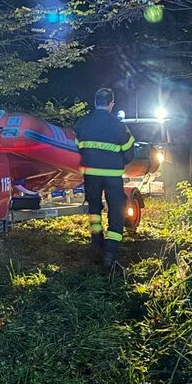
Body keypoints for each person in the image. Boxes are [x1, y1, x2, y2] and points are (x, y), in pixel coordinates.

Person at [73, 88, 135, 270]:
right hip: (112, 176)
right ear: (111, 104)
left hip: (90, 175)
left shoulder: (83, 123)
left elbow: (77, 148)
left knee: (94, 209)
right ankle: (111, 251)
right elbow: (129, 153)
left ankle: (96, 243)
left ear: (95, 102)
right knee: (116, 209)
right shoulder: (119, 126)